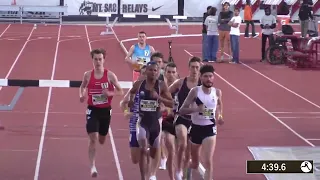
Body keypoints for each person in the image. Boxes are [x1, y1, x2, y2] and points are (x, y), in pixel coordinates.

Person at [79, 48, 124, 177]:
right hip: (92, 109)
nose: (98, 61)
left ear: (104, 60)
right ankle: (92, 166)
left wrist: (110, 93)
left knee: (102, 139)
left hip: (105, 110)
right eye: (95, 59)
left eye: (100, 59)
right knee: (93, 138)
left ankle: (102, 135)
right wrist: (81, 94)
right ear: (92, 60)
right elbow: (82, 86)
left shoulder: (110, 75)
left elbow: (121, 91)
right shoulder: (87, 75)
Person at [128, 61, 173, 180]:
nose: (153, 72)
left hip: (155, 122)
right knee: (142, 148)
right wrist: (131, 101)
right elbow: (131, 93)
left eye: (155, 70)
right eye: (150, 70)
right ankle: (144, 177)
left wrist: (159, 98)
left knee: (154, 151)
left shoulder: (161, 85)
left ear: (158, 72)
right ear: (146, 71)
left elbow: (172, 103)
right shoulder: (139, 84)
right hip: (142, 121)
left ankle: (152, 170)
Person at [178, 64, 224, 180]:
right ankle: (185, 176)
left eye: (211, 76)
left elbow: (220, 105)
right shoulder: (195, 92)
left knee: (208, 162)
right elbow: (182, 110)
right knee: (194, 163)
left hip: (210, 129)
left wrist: (220, 116)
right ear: (201, 77)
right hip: (195, 129)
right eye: (206, 76)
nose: (209, 79)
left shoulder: (217, 92)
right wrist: (196, 109)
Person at [168, 57, 202, 180]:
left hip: (196, 120)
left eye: (197, 67)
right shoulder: (181, 82)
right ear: (189, 68)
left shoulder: (202, 85)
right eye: (192, 67)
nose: (194, 70)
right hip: (181, 118)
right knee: (182, 142)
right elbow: (166, 92)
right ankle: (178, 169)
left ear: (199, 69)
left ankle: (185, 172)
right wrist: (171, 104)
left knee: (189, 150)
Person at [120, 65, 147, 179]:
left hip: (148, 124)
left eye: (148, 73)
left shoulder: (155, 87)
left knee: (145, 150)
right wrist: (126, 112)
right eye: (144, 73)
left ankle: (145, 177)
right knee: (135, 159)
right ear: (140, 74)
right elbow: (123, 103)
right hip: (134, 124)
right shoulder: (134, 88)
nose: (146, 75)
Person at [160, 62, 179, 180]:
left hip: (179, 120)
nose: (171, 74)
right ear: (165, 73)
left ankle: (178, 169)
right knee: (170, 145)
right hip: (165, 120)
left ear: (177, 74)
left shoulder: (181, 87)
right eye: (168, 72)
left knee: (180, 149)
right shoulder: (161, 87)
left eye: (173, 72)